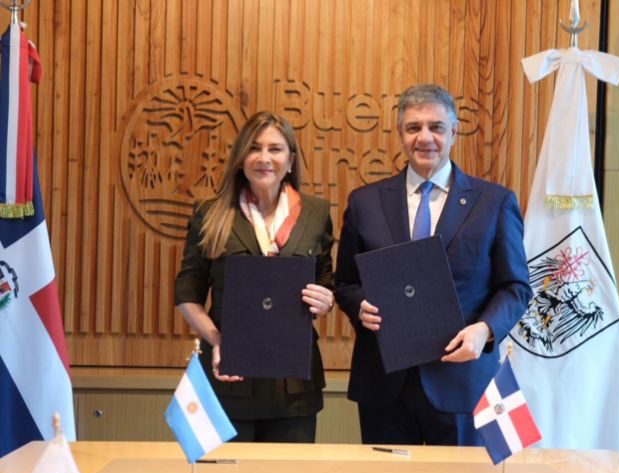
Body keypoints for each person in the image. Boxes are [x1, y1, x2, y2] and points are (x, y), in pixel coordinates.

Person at [334, 84, 532, 446]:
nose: (425, 138)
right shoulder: (364, 202)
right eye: (414, 127)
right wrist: (358, 306)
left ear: (453, 131)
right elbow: (346, 282)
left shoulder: (494, 202)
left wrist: (485, 330)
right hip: (384, 384)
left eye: (436, 127)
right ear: (400, 134)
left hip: (464, 382)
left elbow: (515, 287)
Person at [175, 111, 335, 443]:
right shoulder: (211, 213)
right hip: (229, 375)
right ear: (240, 159)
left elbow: (326, 282)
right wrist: (219, 341)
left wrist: (326, 301)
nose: (264, 158)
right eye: (254, 148)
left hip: (294, 385)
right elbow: (188, 294)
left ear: (290, 160)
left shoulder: (316, 213)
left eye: (275, 149)